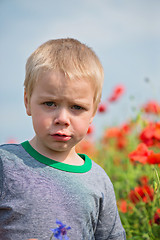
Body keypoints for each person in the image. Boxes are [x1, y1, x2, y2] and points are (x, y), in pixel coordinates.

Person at [0, 38, 126, 240]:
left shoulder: (98, 181)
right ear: (27, 101)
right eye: (50, 103)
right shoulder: (5, 164)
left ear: (93, 111)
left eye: (77, 107)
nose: (62, 119)